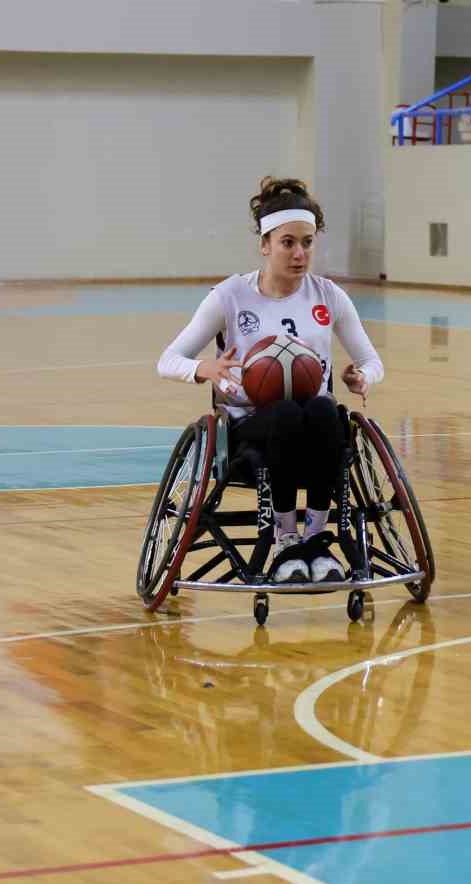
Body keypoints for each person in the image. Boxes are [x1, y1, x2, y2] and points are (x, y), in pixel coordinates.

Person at [157, 176, 384, 583]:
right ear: (265, 244)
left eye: (308, 243)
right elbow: (167, 360)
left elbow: (371, 360)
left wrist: (360, 376)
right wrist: (201, 369)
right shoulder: (230, 296)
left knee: (323, 408)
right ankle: (285, 537)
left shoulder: (327, 295)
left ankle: (315, 536)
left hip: (314, 424)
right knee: (283, 412)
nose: (300, 254)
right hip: (249, 426)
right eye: (288, 243)